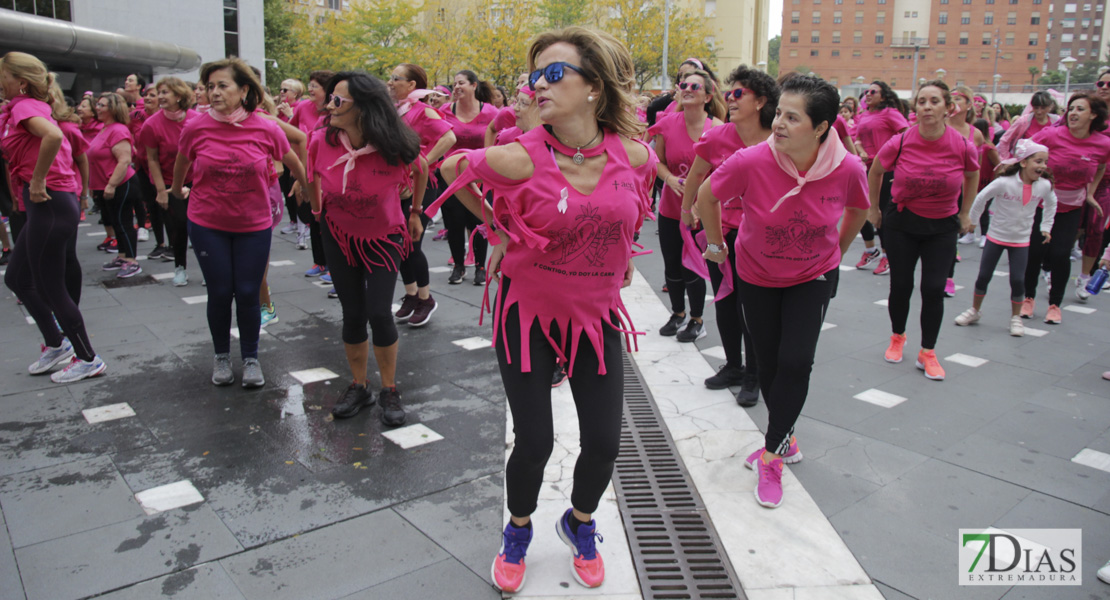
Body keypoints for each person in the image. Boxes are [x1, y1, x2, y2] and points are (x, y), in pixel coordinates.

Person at [435, 27, 656, 593]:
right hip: (526, 314)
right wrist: (497, 227)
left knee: (605, 443)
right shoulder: (518, 157)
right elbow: (450, 171)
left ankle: (580, 522)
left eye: (554, 73)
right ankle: (518, 529)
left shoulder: (634, 155)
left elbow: (629, 209)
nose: (539, 85)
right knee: (535, 442)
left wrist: (621, 252)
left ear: (593, 87)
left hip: (595, 316)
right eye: (536, 76)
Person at [699, 75, 869, 508]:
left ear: (821, 127)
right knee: (771, 363)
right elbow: (706, 194)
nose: (779, 123)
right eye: (780, 113)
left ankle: (771, 455)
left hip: (812, 276)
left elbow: (859, 208)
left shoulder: (847, 167)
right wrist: (716, 246)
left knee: (796, 361)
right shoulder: (751, 160)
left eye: (793, 117)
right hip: (756, 274)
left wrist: (837, 250)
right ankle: (785, 437)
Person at [171, 57, 308, 388]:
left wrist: (305, 186)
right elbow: (182, 161)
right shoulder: (196, 126)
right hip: (207, 222)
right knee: (220, 292)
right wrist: (176, 190)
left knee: (248, 291)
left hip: (253, 223)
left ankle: (250, 358)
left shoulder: (265, 127)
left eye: (222, 85)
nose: (214, 92)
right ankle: (221, 356)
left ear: (244, 89)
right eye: (210, 87)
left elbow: (292, 157)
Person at [308, 71, 428, 426]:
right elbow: (312, 174)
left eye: (338, 101)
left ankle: (389, 388)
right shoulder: (322, 141)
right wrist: (317, 210)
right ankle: (360, 386)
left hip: (384, 237)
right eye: (330, 98)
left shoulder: (394, 146)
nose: (329, 105)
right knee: (352, 313)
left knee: (379, 311)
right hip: (338, 234)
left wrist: (416, 212)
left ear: (362, 108)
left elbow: (421, 169)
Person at [1, 51, 106, 382]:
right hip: (45, 203)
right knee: (17, 279)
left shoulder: (24, 107)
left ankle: (87, 357)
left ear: (21, 83)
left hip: (50, 202)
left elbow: (54, 136)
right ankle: (56, 344)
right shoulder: (18, 108)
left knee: (50, 286)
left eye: (2, 76)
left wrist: (36, 180)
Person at [867, 80, 979, 381]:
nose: (927, 107)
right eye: (921, 101)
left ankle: (928, 352)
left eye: (934, 101)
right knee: (901, 285)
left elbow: (972, 175)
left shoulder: (963, 144)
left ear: (948, 108)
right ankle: (898, 336)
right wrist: (873, 208)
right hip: (902, 223)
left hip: (942, 226)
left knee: (933, 289)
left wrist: (967, 211)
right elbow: (875, 170)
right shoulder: (901, 141)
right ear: (915, 108)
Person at [680, 64, 778, 405]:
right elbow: (695, 177)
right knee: (724, 299)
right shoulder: (718, 136)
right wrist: (685, 210)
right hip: (718, 230)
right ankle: (734, 366)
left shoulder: (778, 138)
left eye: (739, 93)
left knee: (752, 306)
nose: (729, 99)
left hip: (761, 236)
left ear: (762, 101)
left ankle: (755, 373)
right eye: (728, 93)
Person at [649, 68, 725, 342]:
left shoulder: (717, 129)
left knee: (693, 265)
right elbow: (655, 162)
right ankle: (678, 313)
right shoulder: (667, 123)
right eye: (684, 84)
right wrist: (668, 178)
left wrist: (697, 203)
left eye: (695, 86)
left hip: (702, 211)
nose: (688, 89)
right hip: (670, 207)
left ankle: (697, 319)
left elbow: (723, 172)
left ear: (708, 95)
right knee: (671, 264)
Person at [1026, 91, 1110, 321]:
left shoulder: (1103, 144)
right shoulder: (1051, 135)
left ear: (1093, 114)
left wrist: (1090, 193)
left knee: (1061, 254)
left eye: (1080, 109)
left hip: (1072, 206)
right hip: (1043, 204)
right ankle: (1028, 299)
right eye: (1071, 108)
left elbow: (1101, 166)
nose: (1073, 113)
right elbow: (1024, 152)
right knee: (1035, 252)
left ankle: (1055, 305)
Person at [957, 140, 1056, 336]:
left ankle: (1015, 318)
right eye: (1038, 161)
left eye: (1045, 162)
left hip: (1021, 240)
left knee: (1018, 280)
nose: (1043, 166)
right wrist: (973, 221)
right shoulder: (1004, 182)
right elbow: (981, 197)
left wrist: (1046, 227)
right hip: (996, 237)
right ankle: (975, 311)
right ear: (1024, 163)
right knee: (984, 276)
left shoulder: (1044, 185)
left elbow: (1052, 204)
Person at [387, 62, 457, 327]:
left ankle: (426, 298)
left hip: (423, 185)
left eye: (396, 78)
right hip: (397, 187)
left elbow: (449, 139)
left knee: (411, 241)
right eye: (390, 78)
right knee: (400, 242)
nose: (390, 82)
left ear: (412, 85)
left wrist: (421, 164)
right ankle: (411, 294)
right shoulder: (395, 111)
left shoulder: (424, 111)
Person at [139, 76, 199, 287]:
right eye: (159, 93)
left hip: (197, 181)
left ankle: (208, 268)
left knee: (201, 226)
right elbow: (152, 159)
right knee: (179, 224)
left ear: (179, 95)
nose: (160, 97)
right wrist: (160, 191)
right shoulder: (151, 124)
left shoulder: (196, 119)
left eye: (166, 92)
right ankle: (180, 267)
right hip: (168, 182)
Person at [440, 69, 498, 285]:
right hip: (451, 177)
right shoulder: (445, 111)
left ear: (474, 85)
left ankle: (481, 267)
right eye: (454, 83)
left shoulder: (491, 112)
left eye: (461, 83)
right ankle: (458, 265)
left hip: (480, 177)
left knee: (478, 221)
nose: (456, 87)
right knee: (453, 223)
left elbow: (500, 139)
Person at [854, 80, 909, 275]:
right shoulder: (864, 115)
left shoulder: (890, 114)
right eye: (866, 91)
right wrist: (860, 151)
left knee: (882, 214)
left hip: (887, 170)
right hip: (867, 169)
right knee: (860, 210)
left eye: (873, 91)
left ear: (883, 96)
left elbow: (906, 134)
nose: (868, 94)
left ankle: (887, 256)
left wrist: (889, 153)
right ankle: (871, 250)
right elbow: (857, 139)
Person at [90, 92, 143, 278]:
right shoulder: (105, 128)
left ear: (112, 109)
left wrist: (111, 185)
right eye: (97, 104)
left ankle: (132, 261)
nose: (97, 107)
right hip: (107, 184)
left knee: (124, 222)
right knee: (116, 221)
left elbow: (124, 160)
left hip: (122, 183)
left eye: (102, 105)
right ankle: (122, 256)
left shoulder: (118, 130)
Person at [290, 70, 334, 262]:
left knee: (329, 217)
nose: (310, 89)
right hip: (305, 167)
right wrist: (295, 166)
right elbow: (290, 134)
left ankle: (334, 265)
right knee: (313, 216)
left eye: (315, 86)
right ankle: (319, 262)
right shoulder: (303, 107)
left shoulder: (335, 110)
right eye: (310, 85)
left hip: (329, 171)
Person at [275, 78, 305, 234]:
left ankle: (303, 222)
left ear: (296, 93)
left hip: (294, 153)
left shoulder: (299, 107)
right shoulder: (279, 109)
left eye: (285, 90)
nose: (281, 92)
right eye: (281, 89)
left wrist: (289, 115)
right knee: (286, 188)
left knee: (296, 188)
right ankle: (293, 220)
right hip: (281, 154)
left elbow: (300, 133)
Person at [998, 91, 1059, 158]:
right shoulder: (1023, 121)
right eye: (1036, 108)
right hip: (1026, 163)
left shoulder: (1057, 122)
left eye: (1043, 108)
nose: (1039, 111)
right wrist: (1006, 159)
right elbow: (1004, 140)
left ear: (1050, 107)